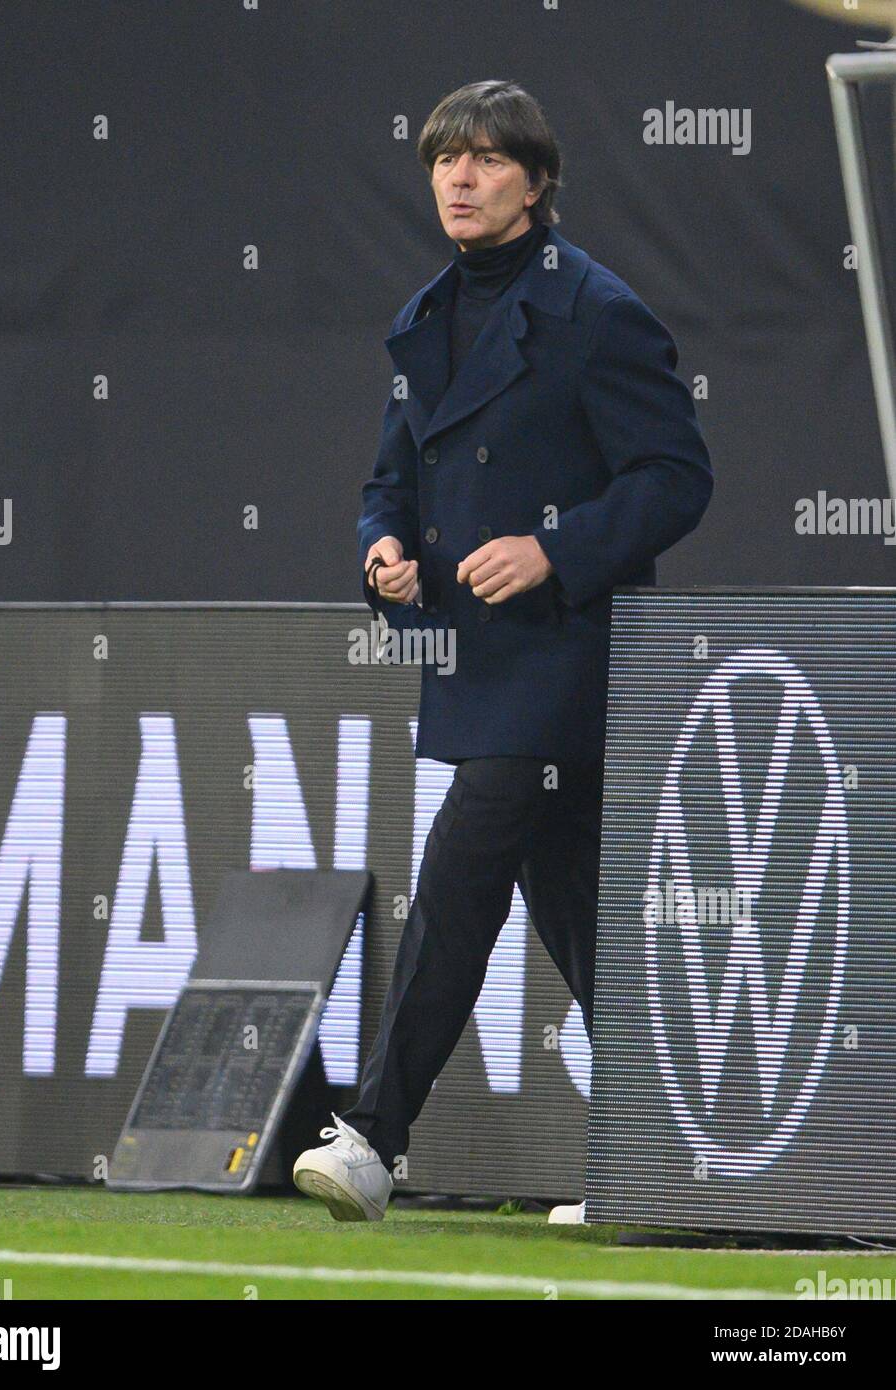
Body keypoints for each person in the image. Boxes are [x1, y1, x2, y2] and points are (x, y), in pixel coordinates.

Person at [293, 79, 713, 1221]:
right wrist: (385, 553)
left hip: (569, 662)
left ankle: (375, 1138)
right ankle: (685, 1151)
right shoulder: (427, 315)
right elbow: (392, 482)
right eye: (444, 159)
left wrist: (553, 549)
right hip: (479, 665)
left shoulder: (597, 310)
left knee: (457, 881)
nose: (459, 178)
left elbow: (677, 478)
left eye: (483, 160)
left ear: (535, 182)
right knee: (577, 913)